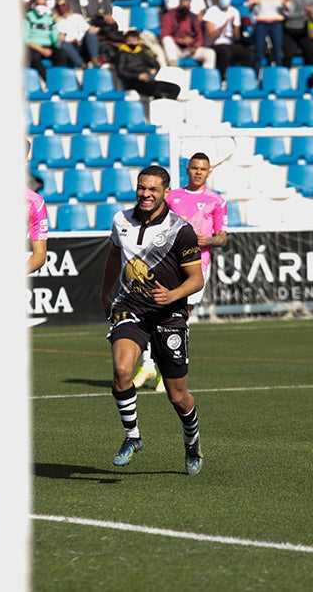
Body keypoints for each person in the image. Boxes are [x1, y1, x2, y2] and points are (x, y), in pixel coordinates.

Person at [99, 164, 205, 475]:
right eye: (141, 188)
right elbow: (115, 255)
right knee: (121, 371)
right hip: (130, 306)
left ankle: (192, 443)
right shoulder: (121, 220)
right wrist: (105, 294)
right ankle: (132, 438)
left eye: (153, 190)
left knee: (177, 395)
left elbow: (196, 279)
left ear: (165, 193)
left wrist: (172, 296)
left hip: (169, 313)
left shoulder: (180, 229)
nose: (145, 194)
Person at [134, 152, 228, 390]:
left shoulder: (217, 201)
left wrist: (208, 239)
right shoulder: (172, 196)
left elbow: (223, 238)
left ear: (209, 172)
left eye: (202, 169)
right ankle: (147, 365)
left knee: (179, 317)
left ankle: (168, 370)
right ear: (187, 170)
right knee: (150, 311)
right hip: (166, 263)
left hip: (197, 266)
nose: (198, 172)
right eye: (194, 167)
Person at [245, 0, 290, 71]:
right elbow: (249, 6)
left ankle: (278, 73)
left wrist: (285, 5)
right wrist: (253, 3)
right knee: (259, 51)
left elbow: (288, 7)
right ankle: (256, 75)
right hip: (261, 21)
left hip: (276, 21)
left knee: (277, 51)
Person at [202, 0, 254, 79]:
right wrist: (223, 26)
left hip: (228, 44)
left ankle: (240, 77)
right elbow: (211, 36)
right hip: (214, 44)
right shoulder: (211, 12)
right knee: (225, 52)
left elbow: (236, 37)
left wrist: (235, 27)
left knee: (249, 54)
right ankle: (222, 78)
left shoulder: (234, 12)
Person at [114, 28, 181, 99]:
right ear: (126, 41)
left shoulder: (141, 52)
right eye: (130, 40)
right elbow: (121, 72)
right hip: (134, 82)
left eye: (134, 40)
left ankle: (169, 104)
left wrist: (154, 70)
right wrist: (138, 76)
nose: (132, 43)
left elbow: (155, 63)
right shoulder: (122, 54)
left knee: (175, 88)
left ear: (138, 41)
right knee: (156, 92)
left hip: (147, 80)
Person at [160, 0, 216, 69]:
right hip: (176, 49)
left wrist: (196, 46)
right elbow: (164, 35)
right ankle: (173, 66)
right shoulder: (169, 16)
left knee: (210, 53)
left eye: (187, 7)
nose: (185, 9)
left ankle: (203, 77)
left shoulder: (193, 17)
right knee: (167, 39)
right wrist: (181, 40)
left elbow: (199, 37)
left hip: (190, 50)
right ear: (179, 4)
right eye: (183, 6)